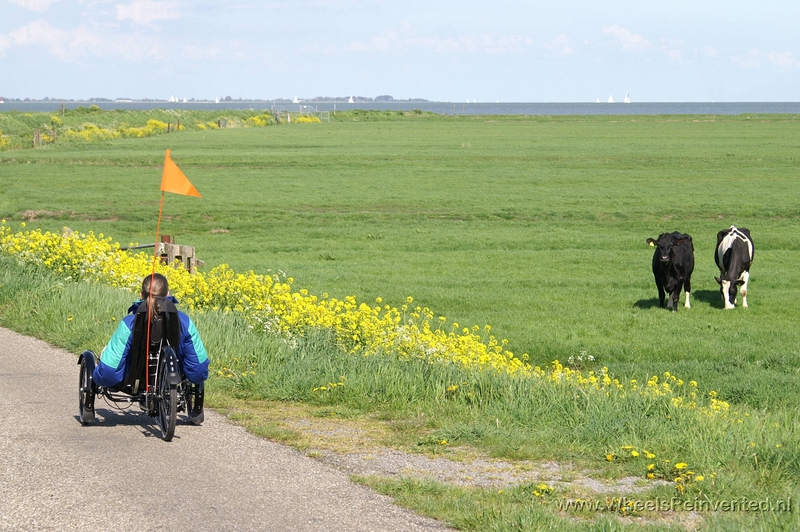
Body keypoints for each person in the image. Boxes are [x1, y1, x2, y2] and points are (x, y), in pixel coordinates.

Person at [93, 273, 209, 418]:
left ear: (141, 295)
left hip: (134, 376)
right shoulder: (184, 322)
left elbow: (109, 372)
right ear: (167, 293)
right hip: (171, 374)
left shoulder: (129, 323)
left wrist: (97, 376)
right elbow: (198, 366)